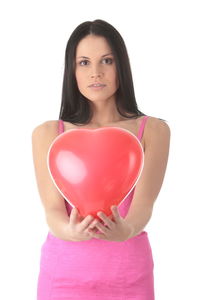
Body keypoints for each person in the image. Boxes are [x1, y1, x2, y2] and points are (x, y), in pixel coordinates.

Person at [32, 19, 170, 300]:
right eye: (84, 62)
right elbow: (52, 211)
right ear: (72, 70)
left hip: (129, 273)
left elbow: (143, 206)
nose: (96, 72)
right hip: (63, 275)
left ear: (122, 64)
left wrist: (126, 229)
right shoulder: (47, 134)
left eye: (106, 60)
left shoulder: (153, 130)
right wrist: (70, 231)